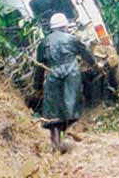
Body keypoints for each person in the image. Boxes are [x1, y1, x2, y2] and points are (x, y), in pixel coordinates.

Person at [33, 12, 96, 153]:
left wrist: (36, 86)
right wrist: (94, 65)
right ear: (64, 27)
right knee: (73, 105)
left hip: (52, 76)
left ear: (52, 28)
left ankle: (56, 147)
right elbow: (85, 54)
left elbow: (39, 66)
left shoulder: (44, 43)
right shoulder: (71, 39)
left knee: (53, 114)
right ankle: (70, 128)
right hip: (71, 74)